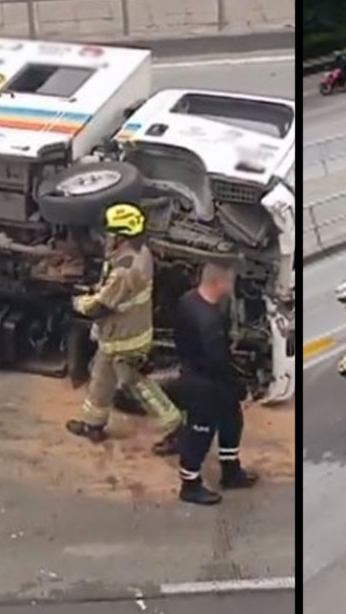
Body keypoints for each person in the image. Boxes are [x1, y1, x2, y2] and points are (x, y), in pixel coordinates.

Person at [65, 203, 183, 449]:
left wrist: (78, 302)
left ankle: (177, 429)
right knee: (101, 379)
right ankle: (93, 425)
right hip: (118, 336)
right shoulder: (140, 253)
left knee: (138, 385)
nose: (105, 237)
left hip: (125, 339)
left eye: (109, 233)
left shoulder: (126, 270)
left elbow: (101, 305)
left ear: (122, 235)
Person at [172, 261, 258, 505]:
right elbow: (217, 362)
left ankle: (231, 471)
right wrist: (238, 386)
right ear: (219, 283)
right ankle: (190, 484)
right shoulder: (208, 321)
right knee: (199, 433)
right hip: (204, 385)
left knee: (232, 420)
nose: (232, 285)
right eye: (230, 280)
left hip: (198, 375)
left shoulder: (188, 300)